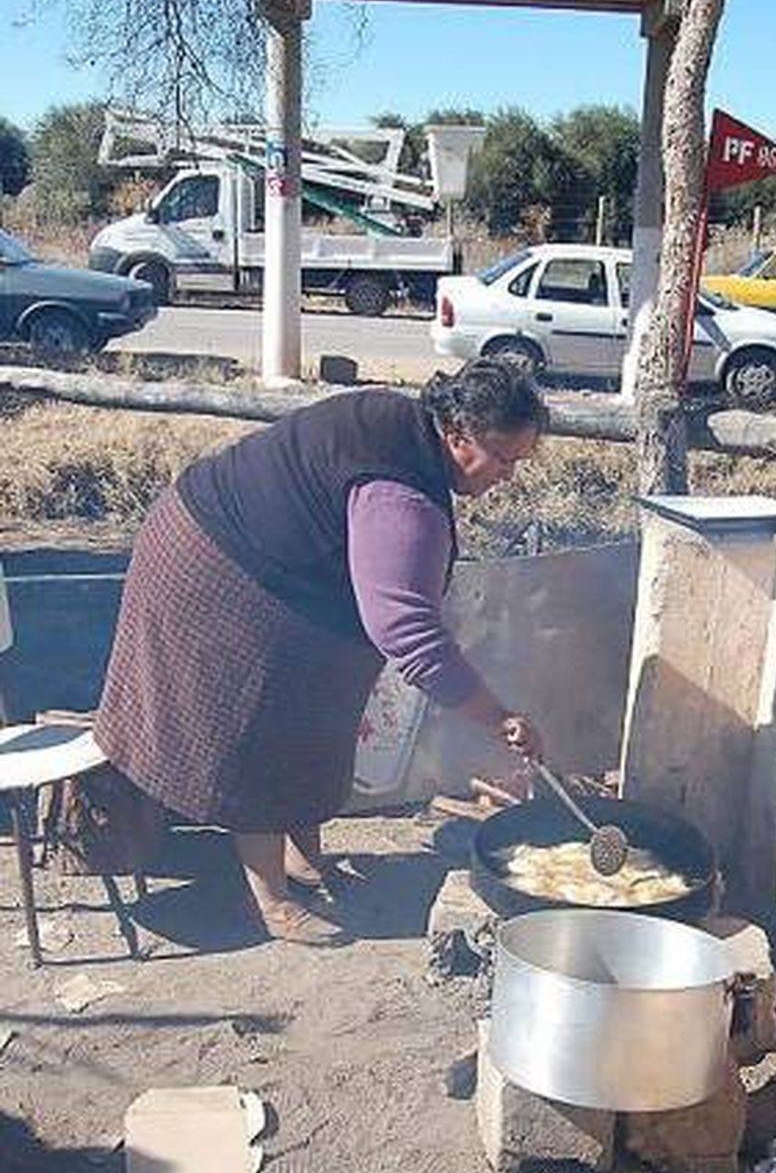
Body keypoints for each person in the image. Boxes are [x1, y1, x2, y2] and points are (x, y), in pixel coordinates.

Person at [95, 359, 549, 946]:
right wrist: (499, 718)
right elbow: (407, 631)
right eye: (504, 459)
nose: (509, 475)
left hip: (275, 568)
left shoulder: (410, 433)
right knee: (260, 727)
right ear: (458, 434)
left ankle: (301, 858)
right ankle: (272, 902)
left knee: (318, 710)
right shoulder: (401, 497)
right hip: (216, 566)